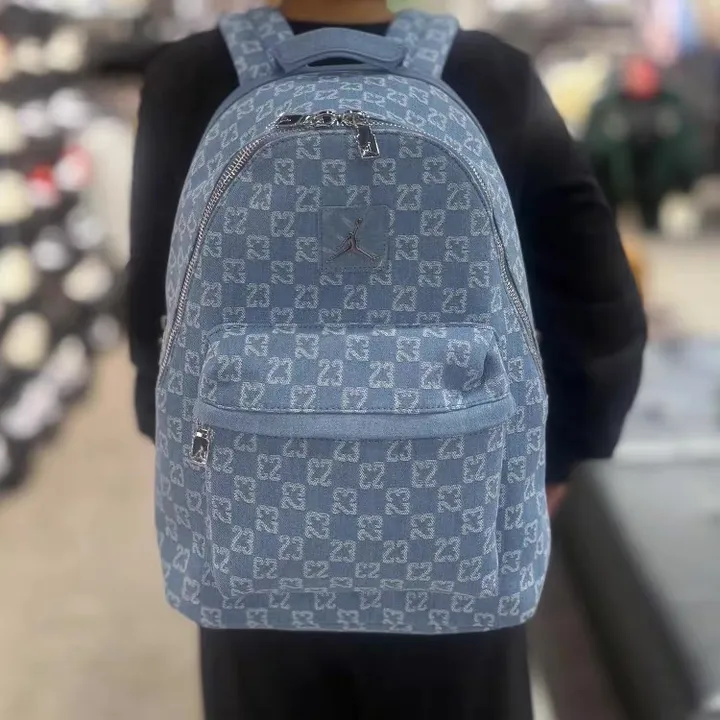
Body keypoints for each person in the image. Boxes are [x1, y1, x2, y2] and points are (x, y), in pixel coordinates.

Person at [128, 0, 647, 718]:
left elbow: (151, 312)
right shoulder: (493, 73)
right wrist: (550, 461)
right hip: (458, 527)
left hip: (252, 540)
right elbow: (598, 303)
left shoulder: (185, 77)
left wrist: (204, 450)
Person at [584, 55, 702, 232]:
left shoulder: (673, 105)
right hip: (617, 185)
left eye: (647, 75)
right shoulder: (607, 108)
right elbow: (592, 146)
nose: (642, 80)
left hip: (663, 184)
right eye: (636, 75)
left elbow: (689, 147)